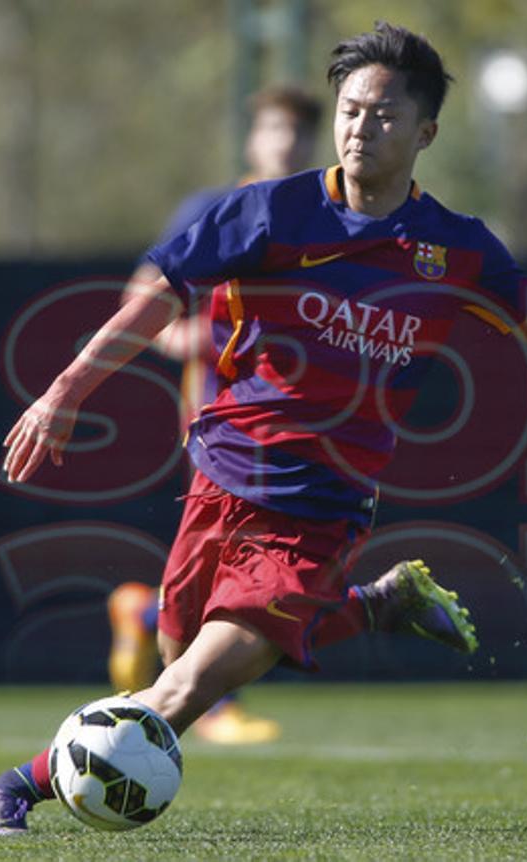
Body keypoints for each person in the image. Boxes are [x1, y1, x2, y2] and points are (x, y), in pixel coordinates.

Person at [0, 22, 527, 835]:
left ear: (425, 133)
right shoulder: (270, 212)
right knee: (177, 664)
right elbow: (157, 298)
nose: (361, 127)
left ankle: (16, 787)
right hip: (222, 474)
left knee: (187, 690)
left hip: (323, 506)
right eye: (350, 110)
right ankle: (375, 605)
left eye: (384, 114)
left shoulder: (457, 248)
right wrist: (66, 389)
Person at [107, 84, 323, 746]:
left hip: (292, 417)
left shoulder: (323, 218)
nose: (286, 142)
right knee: (240, 562)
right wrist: (188, 337)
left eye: (298, 132)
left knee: (248, 564)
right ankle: (216, 704)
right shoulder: (217, 208)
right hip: (220, 415)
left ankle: (144, 615)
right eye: (274, 128)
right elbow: (141, 293)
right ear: (253, 138)